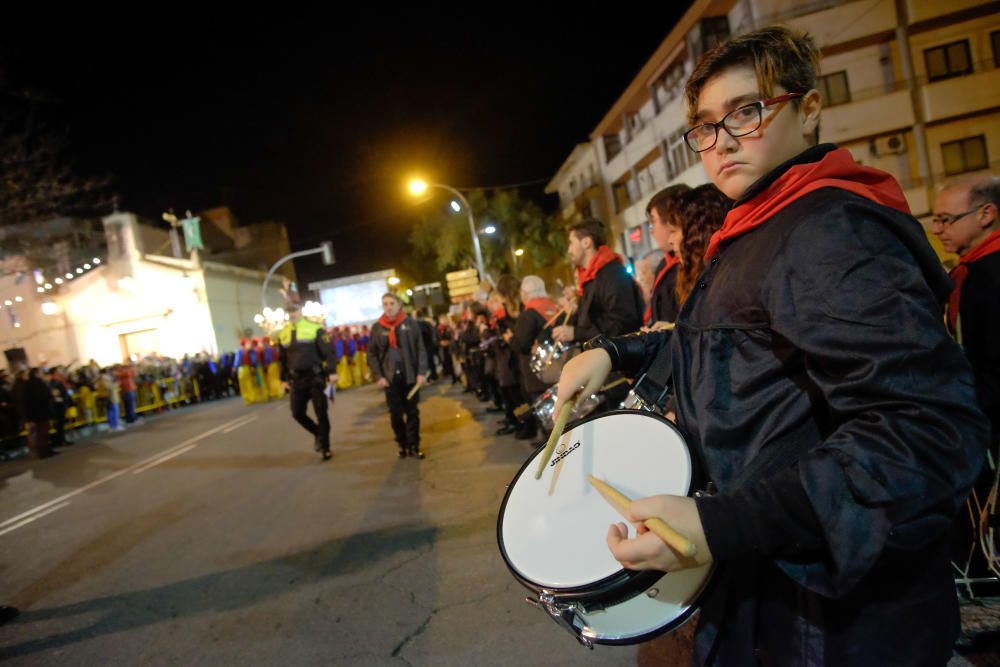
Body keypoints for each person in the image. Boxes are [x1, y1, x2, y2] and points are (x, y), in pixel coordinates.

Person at [553, 25, 988, 665]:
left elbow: (928, 430)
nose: (721, 141)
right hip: (770, 585)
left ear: (808, 108)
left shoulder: (829, 231)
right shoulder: (763, 221)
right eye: (705, 126)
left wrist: (722, 524)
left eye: (747, 112)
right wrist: (617, 355)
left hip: (832, 616)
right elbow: (728, 344)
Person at [932, 174, 1000, 451]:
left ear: (986, 215)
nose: (936, 229)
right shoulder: (969, 271)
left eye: (946, 219)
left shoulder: (991, 273)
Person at [551, 218, 644, 346]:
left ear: (586, 242)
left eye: (571, 243)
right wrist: (576, 312)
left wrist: (576, 333)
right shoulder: (591, 277)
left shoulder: (612, 274)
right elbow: (595, 318)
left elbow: (622, 323)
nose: (569, 250)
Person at [367, 293, 428, 459]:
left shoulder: (410, 324)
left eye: (391, 303)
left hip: (410, 377)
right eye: (385, 304)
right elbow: (371, 354)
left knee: (413, 412)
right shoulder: (377, 328)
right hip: (389, 379)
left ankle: (414, 445)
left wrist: (421, 373)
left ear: (399, 304)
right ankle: (402, 443)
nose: (388, 307)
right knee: (395, 414)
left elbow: (420, 349)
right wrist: (378, 376)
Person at [277, 302, 338, 461]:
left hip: (315, 376)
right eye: (289, 311)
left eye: (294, 311)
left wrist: (332, 371)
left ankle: (325, 448)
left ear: (301, 311)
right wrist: (284, 379)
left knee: (321, 412)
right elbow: (282, 359)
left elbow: (328, 351)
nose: (292, 314)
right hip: (297, 379)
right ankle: (318, 433)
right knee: (297, 412)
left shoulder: (315, 328)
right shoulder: (283, 333)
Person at [512, 275, 559, 441]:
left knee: (546, 416)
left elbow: (522, 344)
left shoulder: (529, 314)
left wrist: (511, 339)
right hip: (558, 367)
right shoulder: (554, 307)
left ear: (525, 293)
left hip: (538, 373)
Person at [644, 184, 690, 329]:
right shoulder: (665, 264)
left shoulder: (694, 261)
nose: (651, 231)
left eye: (653, 222)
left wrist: (672, 329)